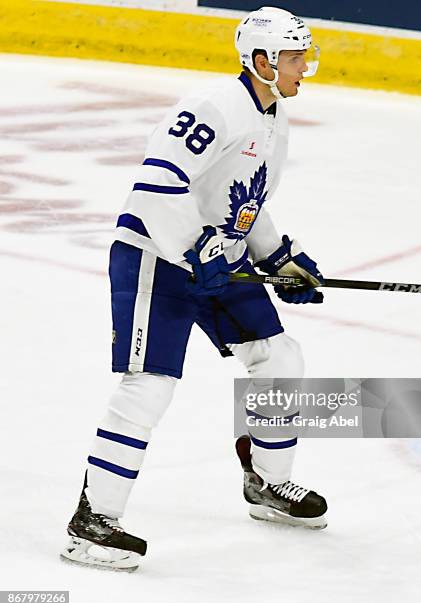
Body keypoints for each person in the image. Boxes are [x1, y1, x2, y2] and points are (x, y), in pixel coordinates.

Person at [60, 6, 328, 572]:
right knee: (149, 386)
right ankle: (91, 523)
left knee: (280, 357)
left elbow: (245, 201)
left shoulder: (273, 116)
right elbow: (159, 182)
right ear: (261, 60)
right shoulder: (215, 108)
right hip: (156, 255)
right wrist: (195, 249)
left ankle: (268, 484)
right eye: (296, 56)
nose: (306, 65)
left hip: (216, 261)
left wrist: (279, 257)